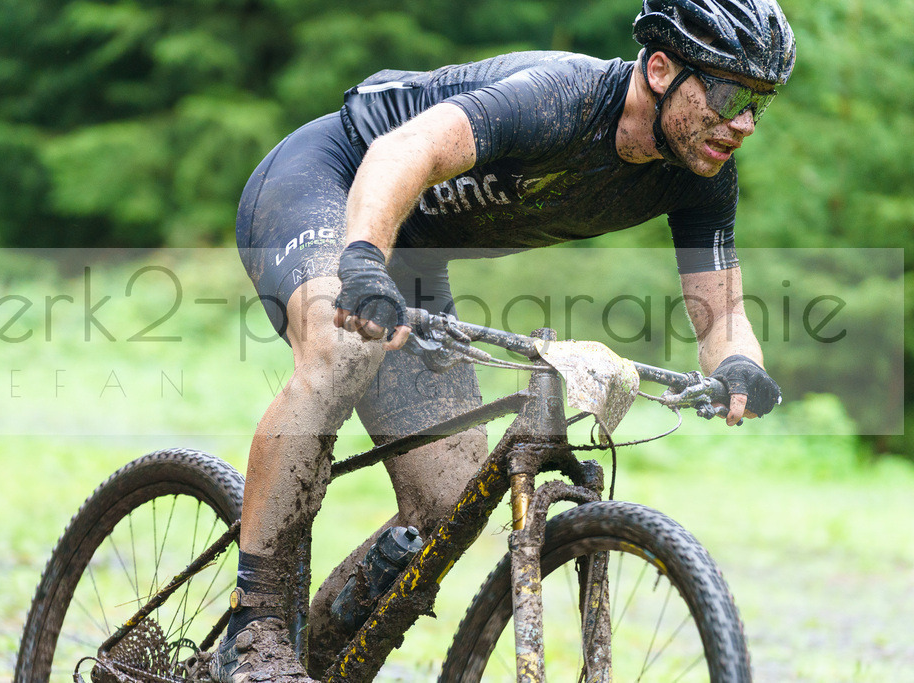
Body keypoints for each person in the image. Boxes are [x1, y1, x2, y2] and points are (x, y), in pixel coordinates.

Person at [213, 0, 795, 680]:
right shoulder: (562, 100)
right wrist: (364, 256)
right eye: (729, 94)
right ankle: (253, 628)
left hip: (410, 257)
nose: (745, 122)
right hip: (335, 183)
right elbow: (406, 150)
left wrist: (738, 367)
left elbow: (721, 316)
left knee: (449, 498)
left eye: (760, 101)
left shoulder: (702, 176)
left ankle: (315, 652)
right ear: (661, 69)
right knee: (342, 348)